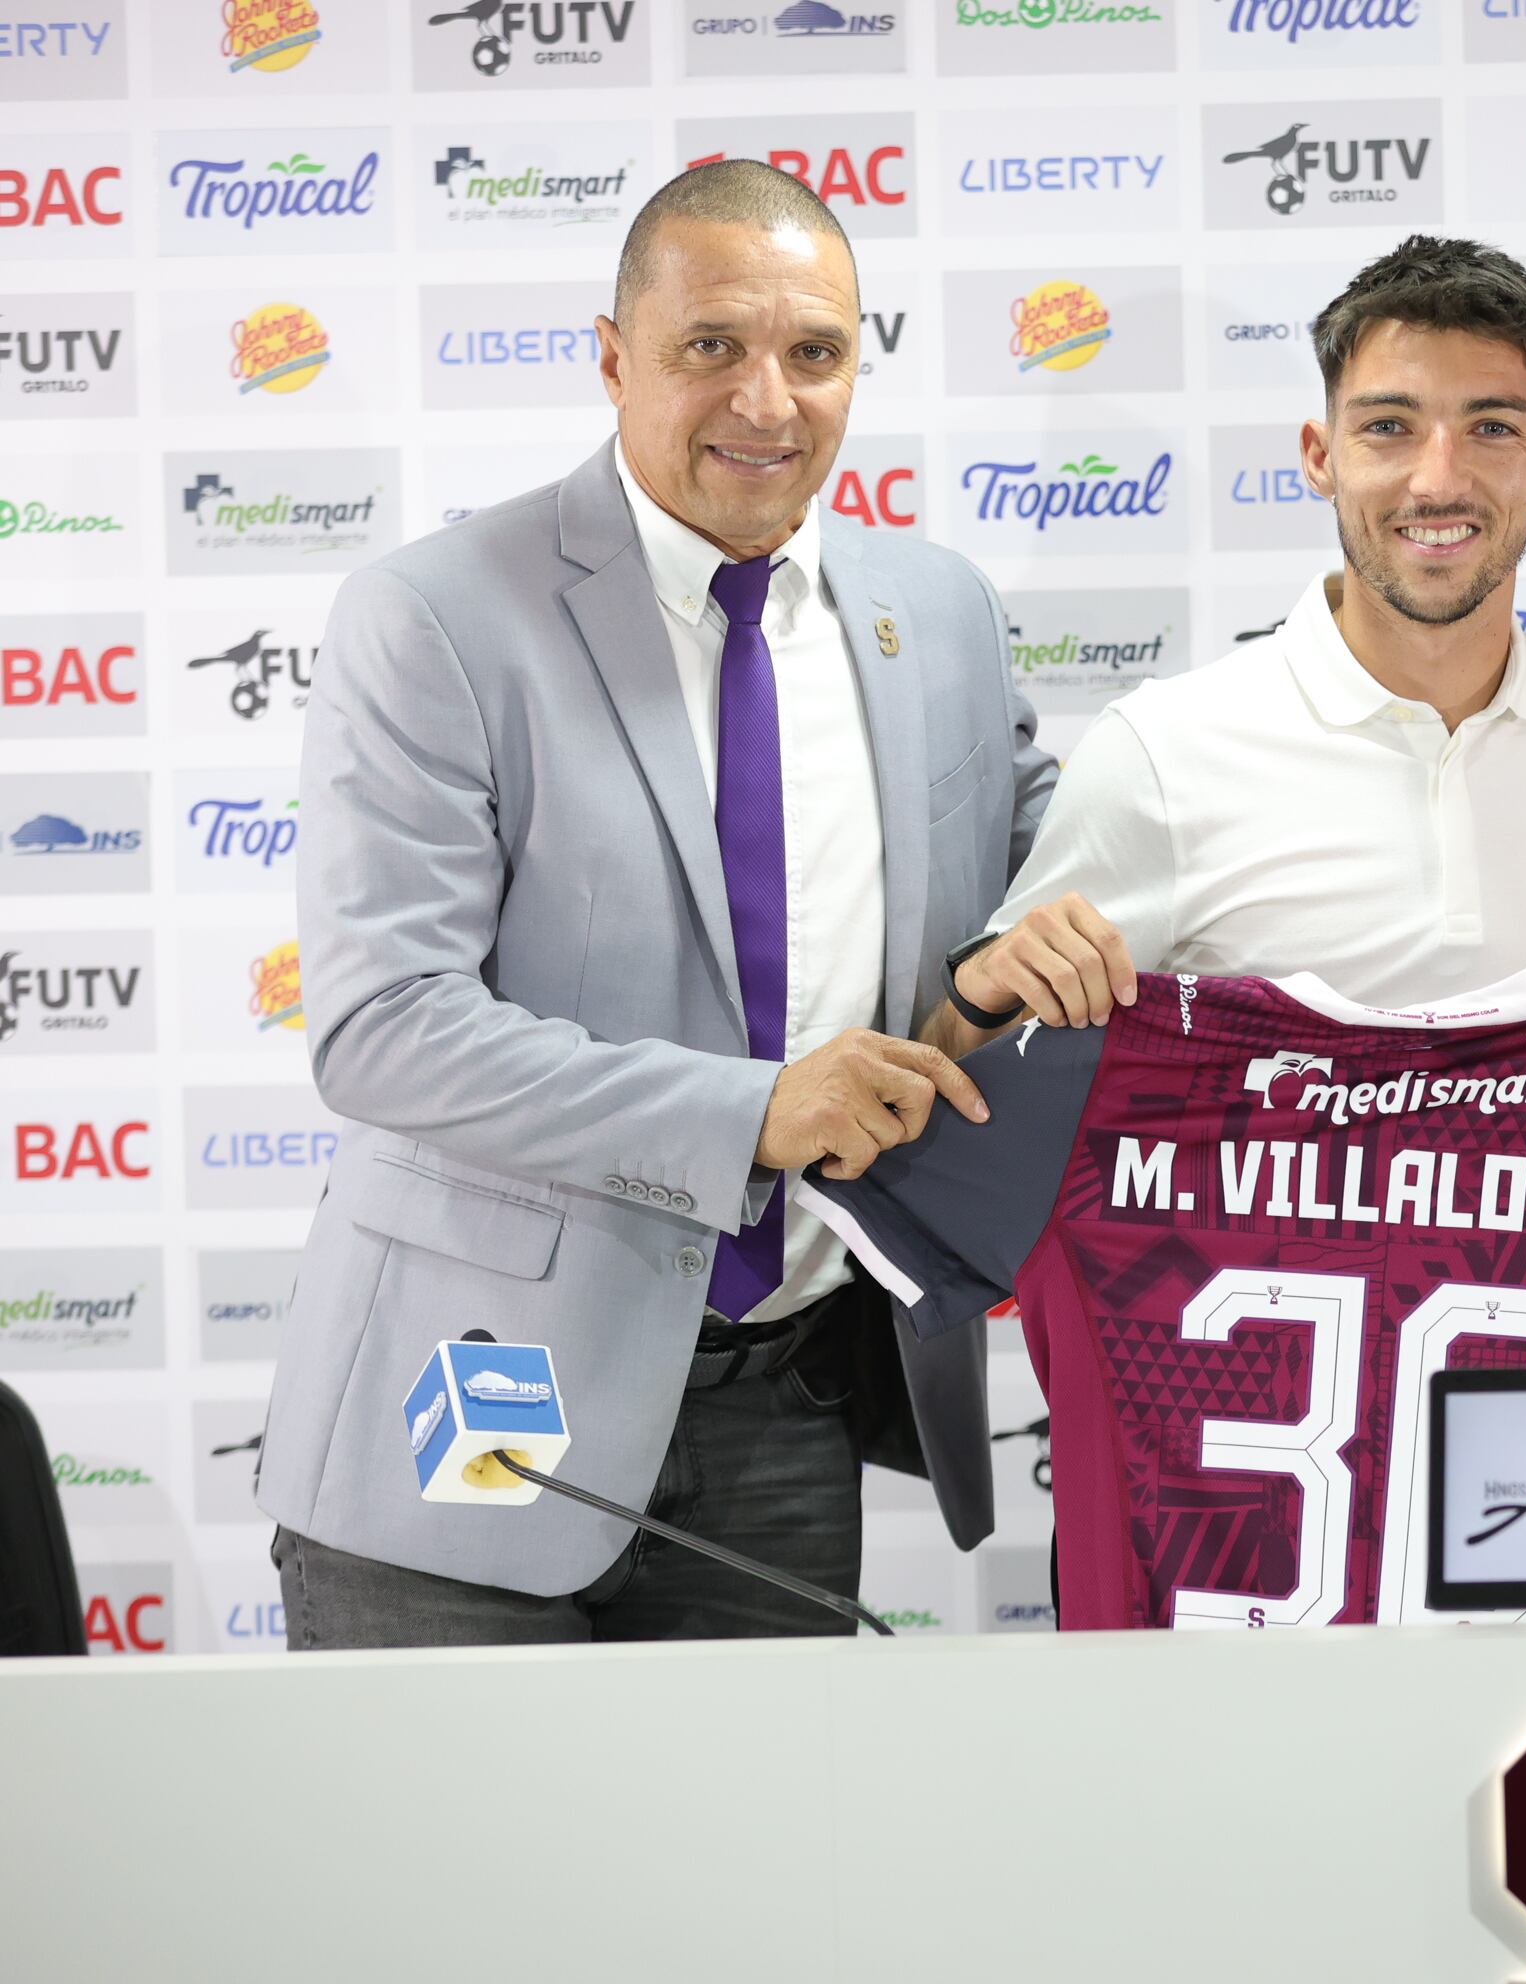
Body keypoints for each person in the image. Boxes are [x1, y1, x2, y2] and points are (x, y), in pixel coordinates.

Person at [257, 162, 1055, 1646]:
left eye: (814, 353)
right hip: (479, 1396)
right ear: (615, 355)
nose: (767, 398)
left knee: (736, 1882)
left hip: (789, 1402)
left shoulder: (938, 612)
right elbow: (384, 1029)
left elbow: (1041, 883)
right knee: (443, 1881)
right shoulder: (436, 616)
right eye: (711, 348)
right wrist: (754, 1111)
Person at [927, 234, 1526, 1039]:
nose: (1438, 479)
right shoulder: (1161, 752)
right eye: (1389, 427)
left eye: (1492, 428)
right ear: (1320, 455)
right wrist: (978, 1000)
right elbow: (968, 1078)